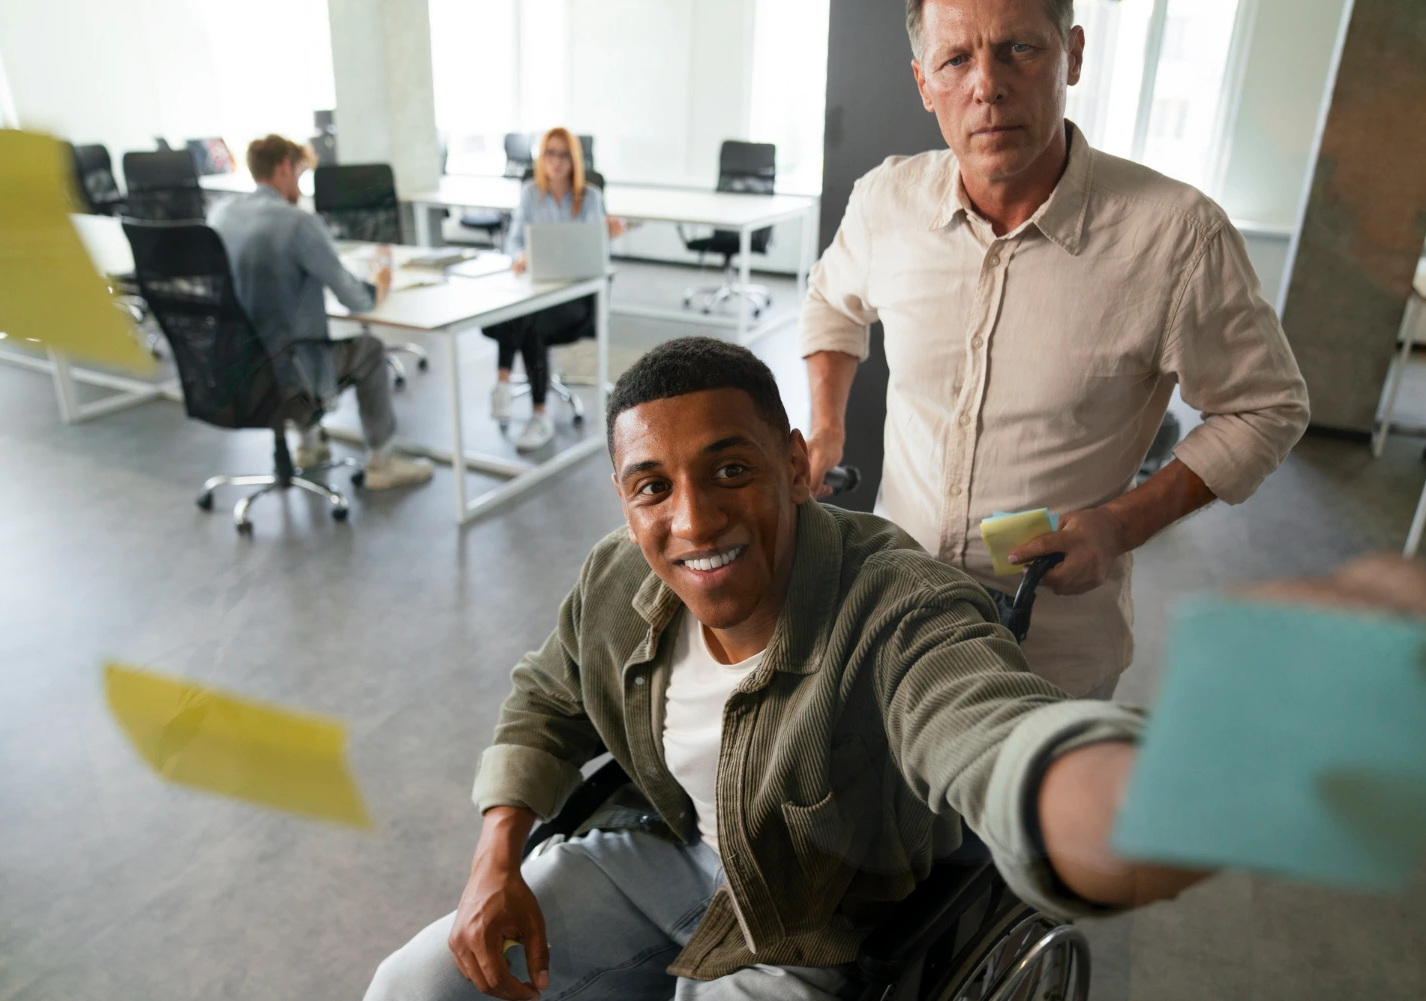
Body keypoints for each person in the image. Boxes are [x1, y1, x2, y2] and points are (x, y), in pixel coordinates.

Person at [363, 336, 1205, 1001]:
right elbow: (547, 697)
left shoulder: (894, 603)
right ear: (626, 499)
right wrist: (494, 858)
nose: (691, 521)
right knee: (413, 986)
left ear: (798, 467)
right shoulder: (616, 576)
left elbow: (978, 718)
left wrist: (1091, 788)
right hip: (662, 852)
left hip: (812, 916)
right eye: (652, 487)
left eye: (731, 470)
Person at [800, 0, 1311, 697]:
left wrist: (1120, 524)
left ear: (1073, 53)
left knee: (1020, 810)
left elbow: (1266, 408)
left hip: (1050, 652)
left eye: (1018, 50)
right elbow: (832, 300)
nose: (987, 85)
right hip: (893, 613)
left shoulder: (1178, 236)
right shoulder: (887, 201)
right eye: (956, 60)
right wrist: (827, 430)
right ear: (924, 83)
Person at [208, 134, 434, 490]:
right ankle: (382, 461)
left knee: (286, 333)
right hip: (292, 375)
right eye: (299, 172)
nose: (301, 183)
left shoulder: (221, 214)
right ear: (284, 167)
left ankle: (310, 446)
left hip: (236, 370)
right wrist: (382, 281)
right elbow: (356, 301)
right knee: (369, 350)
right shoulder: (297, 223)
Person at [484, 127, 624, 453]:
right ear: (541, 158)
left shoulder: (590, 197)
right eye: (550, 153)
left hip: (575, 297)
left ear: (573, 159)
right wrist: (520, 255)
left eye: (563, 154)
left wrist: (606, 236)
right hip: (535, 288)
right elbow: (514, 241)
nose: (556, 161)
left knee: (529, 321)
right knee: (512, 311)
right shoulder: (531, 194)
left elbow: (595, 254)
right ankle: (504, 385)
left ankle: (539, 414)